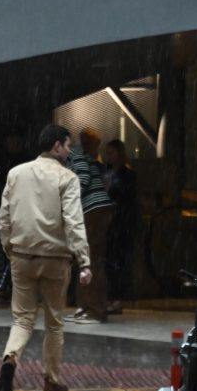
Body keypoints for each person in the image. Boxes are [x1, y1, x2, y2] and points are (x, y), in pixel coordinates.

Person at [0, 124, 91, 391]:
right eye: (68, 145)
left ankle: (10, 359)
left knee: (22, 319)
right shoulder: (67, 178)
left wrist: (9, 247)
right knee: (54, 323)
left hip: (22, 256)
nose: (70, 151)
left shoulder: (16, 173)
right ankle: (51, 383)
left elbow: (4, 216)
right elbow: (73, 221)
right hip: (55, 259)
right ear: (56, 146)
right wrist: (84, 260)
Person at [66, 127, 114, 324]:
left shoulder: (75, 154)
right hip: (96, 208)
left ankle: (95, 310)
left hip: (92, 210)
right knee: (86, 258)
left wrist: (68, 200)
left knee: (90, 259)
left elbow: (84, 179)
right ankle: (85, 307)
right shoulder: (84, 156)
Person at [102, 140, 138, 315]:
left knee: (118, 262)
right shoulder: (107, 173)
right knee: (109, 262)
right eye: (107, 153)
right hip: (109, 224)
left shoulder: (127, 176)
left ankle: (116, 298)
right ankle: (110, 297)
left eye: (112, 153)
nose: (109, 157)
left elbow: (129, 201)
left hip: (121, 224)